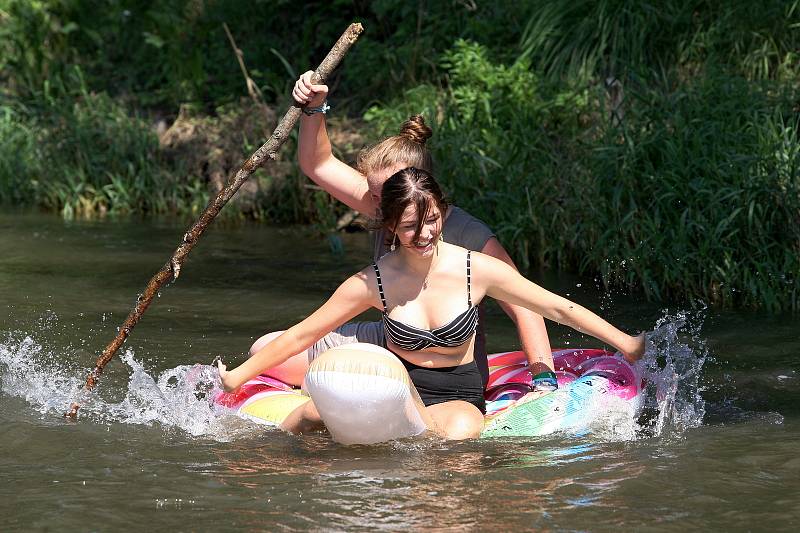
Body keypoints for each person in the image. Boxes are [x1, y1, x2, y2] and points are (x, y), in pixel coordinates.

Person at [219, 167, 645, 440]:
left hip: (457, 395)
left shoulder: (476, 269)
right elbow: (303, 334)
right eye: (409, 226)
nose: (425, 233)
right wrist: (238, 377)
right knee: (314, 415)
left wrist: (625, 343)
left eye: (433, 219)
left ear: (443, 210)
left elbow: (556, 307)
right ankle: (265, 455)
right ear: (389, 227)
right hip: (399, 387)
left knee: (459, 437)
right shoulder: (374, 281)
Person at [249, 71, 556, 393]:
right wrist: (314, 108)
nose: (378, 206)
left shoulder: (470, 235)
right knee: (265, 349)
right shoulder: (382, 204)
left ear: (417, 187)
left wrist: (543, 378)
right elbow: (318, 164)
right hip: (394, 338)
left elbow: (526, 307)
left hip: (448, 362)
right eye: (374, 195)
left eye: (387, 196)